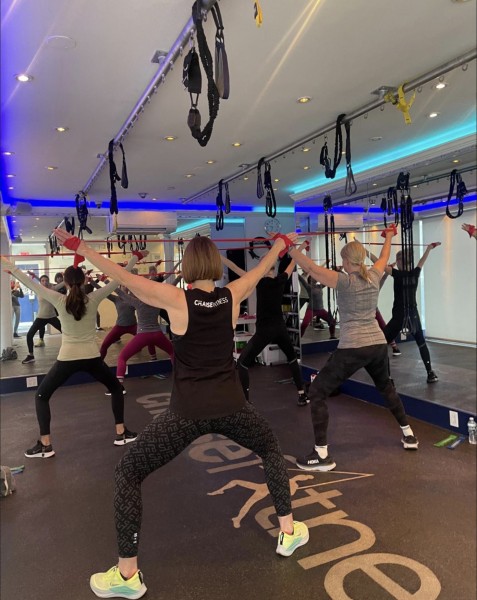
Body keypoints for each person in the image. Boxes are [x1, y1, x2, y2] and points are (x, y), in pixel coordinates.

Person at [52, 228, 309, 599]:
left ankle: (128, 576)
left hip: (186, 413)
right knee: (270, 448)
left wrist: (81, 248)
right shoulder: (231, 295)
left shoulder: (176, 299)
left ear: (187, 265)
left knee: (128, 472)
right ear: (215, 265)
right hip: (233, 407)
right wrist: (281, 246)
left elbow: (123, 277)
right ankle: (288, 531)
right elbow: (259, 271)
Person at [287, 227, 419, 472]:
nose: (342, 263)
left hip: (353, 347)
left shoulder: (344, 281)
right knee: (386, 388)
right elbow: (382, 257)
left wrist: (290, 249)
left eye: (343, 260)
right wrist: (389, 237)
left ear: (348, 261)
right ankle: (409, 434)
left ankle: (321, 455)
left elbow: (312, 269)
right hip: (377, 345)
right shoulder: (375, 276)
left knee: (316, 392)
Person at [1, 253, 142, 458]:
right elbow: (120, 277)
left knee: (41, 396)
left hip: (67, 359)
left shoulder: (58, 299)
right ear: (84, 280)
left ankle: (46, 445)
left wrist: (10, 268)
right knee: (116, 388)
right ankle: (121, 433)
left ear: (64, 282)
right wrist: (134, 258)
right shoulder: (94, 298)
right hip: (92, 358)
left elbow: (32, 285)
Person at [222, 245, 309, 407]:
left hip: (265, 331)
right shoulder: (280, 279)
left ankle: (246, 402)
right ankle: (302, 395)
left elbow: (234, 267)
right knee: (292, 360)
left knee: (242, 363)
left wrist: (219, 257)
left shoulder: (259, 281)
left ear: (264, 269)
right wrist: (302, 247)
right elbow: (292, 263)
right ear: (274, 270)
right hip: (280, 329)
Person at [368, 242, 441, 383]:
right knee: (421, 343)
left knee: (382, 343)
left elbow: (378, 263)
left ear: (401, 261)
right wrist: (429, 249)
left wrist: (365, 252)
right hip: (413, 315)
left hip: (400, 316)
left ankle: (387, 377)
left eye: (398, 259)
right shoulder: (415, 273)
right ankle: (430, 373)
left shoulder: (398, 274)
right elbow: (421, 261)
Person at [21, 273, 65, 363]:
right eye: (42, 281)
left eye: (46, 280)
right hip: (41, 317)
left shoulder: (53, 289)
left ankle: (70, 350)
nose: (44, 282)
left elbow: (64, 282)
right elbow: (26, 282)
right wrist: (14, 273)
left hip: (52, 316)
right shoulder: (37, 289)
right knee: (29, 335)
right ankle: (31, 355)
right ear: (40, 282)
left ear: (48, 282)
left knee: (66, 332)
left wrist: (75, 272)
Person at [298, 272, 336, 339]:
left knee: (332, 321)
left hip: (321, 310)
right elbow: (301, 279)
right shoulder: (308, 287)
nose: (315, 278)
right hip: (311, 310)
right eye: (313, 277)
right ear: (310, 280)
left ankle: (332, 336)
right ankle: (298, 339)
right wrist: (294, 271)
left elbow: (328, 281)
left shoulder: (320, 286)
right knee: (304, 324)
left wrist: (335, 272)